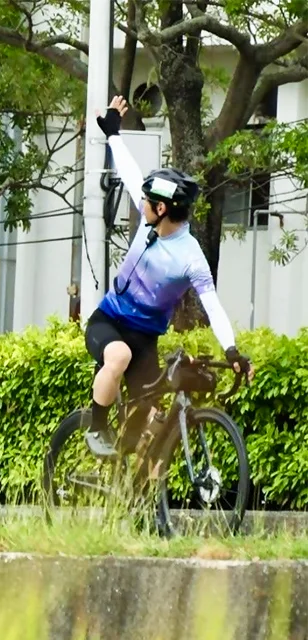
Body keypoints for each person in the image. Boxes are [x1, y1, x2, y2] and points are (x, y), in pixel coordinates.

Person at [84, 95, 252, 457]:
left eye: (146, 201)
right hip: (109, 321)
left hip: (146, 338)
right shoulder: (152, 220)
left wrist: (232, 349)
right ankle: (96, 427)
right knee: (117, 358)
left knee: (147, 424)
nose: (139, 202)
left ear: (161, 209)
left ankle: (127, 488)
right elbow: (131, 175)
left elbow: (213, 305)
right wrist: (113, 134)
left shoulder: (190, 256)